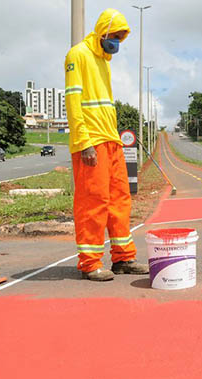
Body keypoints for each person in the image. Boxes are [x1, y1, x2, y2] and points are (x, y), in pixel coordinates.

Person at [64, 8, 149, 281]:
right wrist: (83, 141)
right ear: (102, 31)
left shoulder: (104, 60)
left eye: (121, 38)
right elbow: (73, 102)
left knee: (120, 201)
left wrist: (114, 140)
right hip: (92, 142)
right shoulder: (78, 55)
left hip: (111, 140)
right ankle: (90, 263)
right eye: (114, 35)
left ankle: (123, 258)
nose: (116, 41)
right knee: (93, 202)